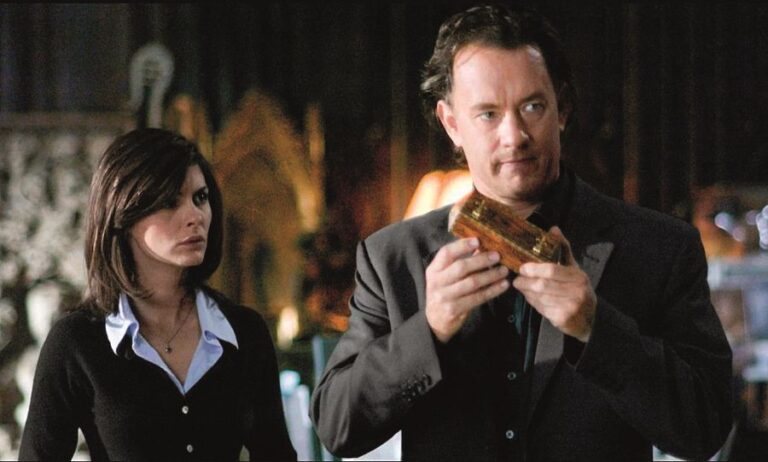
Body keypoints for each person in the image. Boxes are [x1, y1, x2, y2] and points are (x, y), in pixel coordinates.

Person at [310, 5, 733, 461]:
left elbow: (706, 427)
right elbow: (337, 428)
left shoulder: (660, 247)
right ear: (452, 124)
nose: (514, 136)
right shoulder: (392, 257)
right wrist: (428, 330)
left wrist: (597, 329)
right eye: (488, 114)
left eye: (532, 107)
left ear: (562, 109)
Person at [19, 128, 297, 461]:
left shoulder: (244, 332)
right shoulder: (77, 342)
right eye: (169, 202)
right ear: (123, 214)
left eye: (200, 198)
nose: (195, 216)